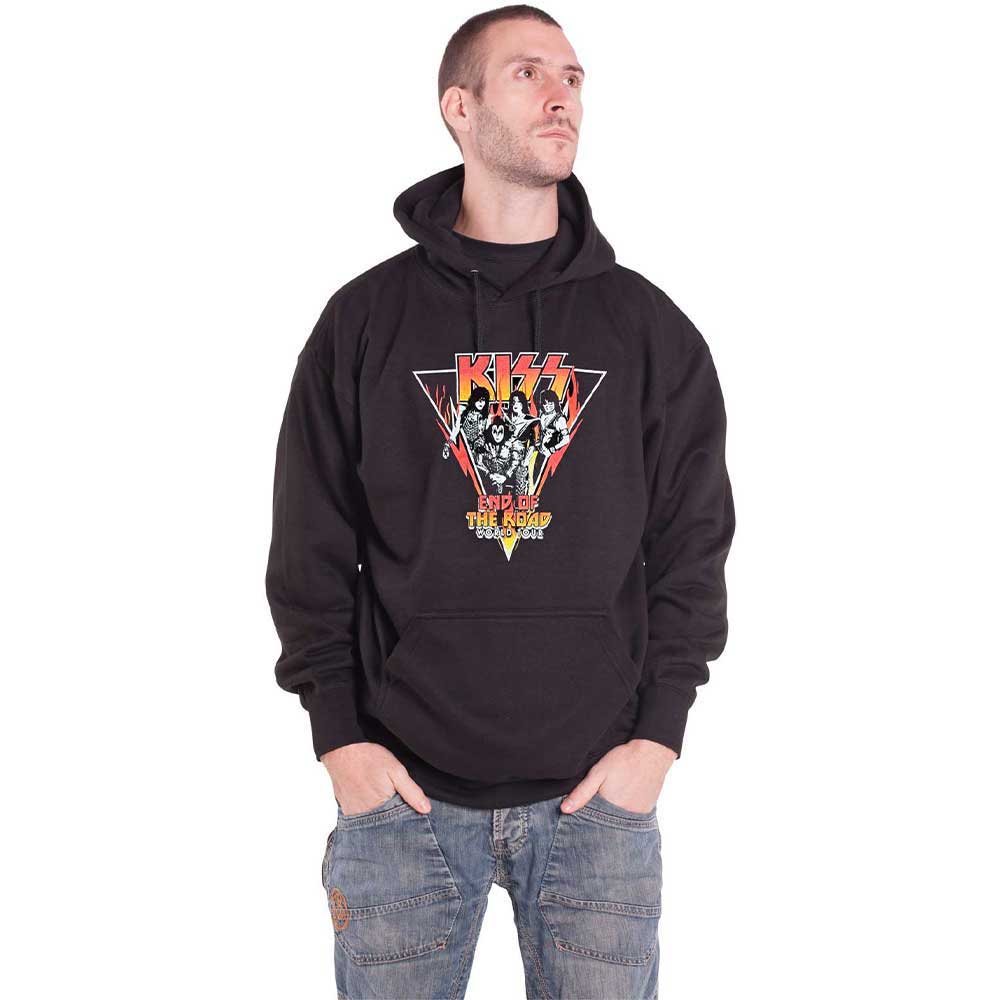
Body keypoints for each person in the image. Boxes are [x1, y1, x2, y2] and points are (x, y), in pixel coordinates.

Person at [265, 6, 735, 998]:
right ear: (459, 108)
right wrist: (339, 736)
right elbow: (311, 544)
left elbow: (691, 546)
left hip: (597, 805)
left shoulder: (649, 330)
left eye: (572, 75)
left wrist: (658, 738)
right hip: (400, 798)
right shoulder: (364, 321)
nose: (562, 93)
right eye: (528, 73)